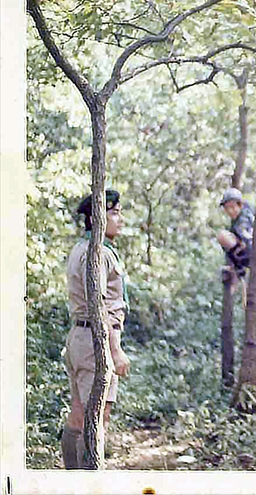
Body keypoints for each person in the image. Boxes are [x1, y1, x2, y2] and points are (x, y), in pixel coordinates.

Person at [62, 189, 131, 469]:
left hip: (80, 338)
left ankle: (71, 480)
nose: (120, 219)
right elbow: (100, 304)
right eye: (114, 213)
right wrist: (115, 350)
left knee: (79, 415)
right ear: (97, 217)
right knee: (96, 418)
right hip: (95, 341)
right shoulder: (97, 253)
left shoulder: (82, 248)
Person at [216, 188, 255, 283]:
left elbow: (247, 238)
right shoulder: (236, 219)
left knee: (223, 236)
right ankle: (237, 267)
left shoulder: (244, 218)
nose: (230, 211)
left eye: (232, 207)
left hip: (250, 254)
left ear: (240, 205)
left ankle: (241, 267)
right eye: (227, 208)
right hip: (244, 253)